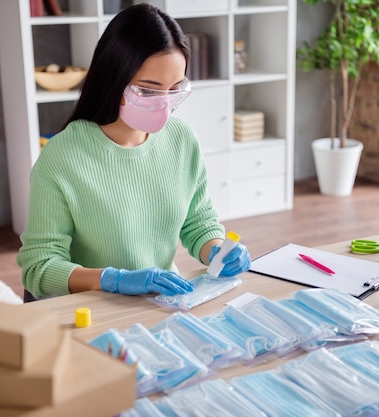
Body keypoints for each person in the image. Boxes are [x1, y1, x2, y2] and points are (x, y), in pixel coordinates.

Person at [17, 3, 251, 300]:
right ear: (114, 79)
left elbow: (199, 222)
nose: (163, 103)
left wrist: (217, 249)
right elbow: (38, 268)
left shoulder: (182, 139)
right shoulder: (62, 158)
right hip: (92, 309)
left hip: (159, 302)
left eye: (174, 89)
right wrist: (112, 279)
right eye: (149, 89)